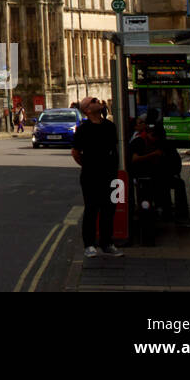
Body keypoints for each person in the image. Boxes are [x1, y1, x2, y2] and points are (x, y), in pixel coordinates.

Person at [71, 98, 123, 259]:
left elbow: (114, 149)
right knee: (92, 209)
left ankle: (107, 243)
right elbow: (75, 153)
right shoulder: (83, 129)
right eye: (93, 101)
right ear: (87, 110)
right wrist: (88, 165)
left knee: (109, 209)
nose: (97, 101)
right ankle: (89, 245)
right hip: (91, 175)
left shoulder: (109, 126)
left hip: (110, 174)